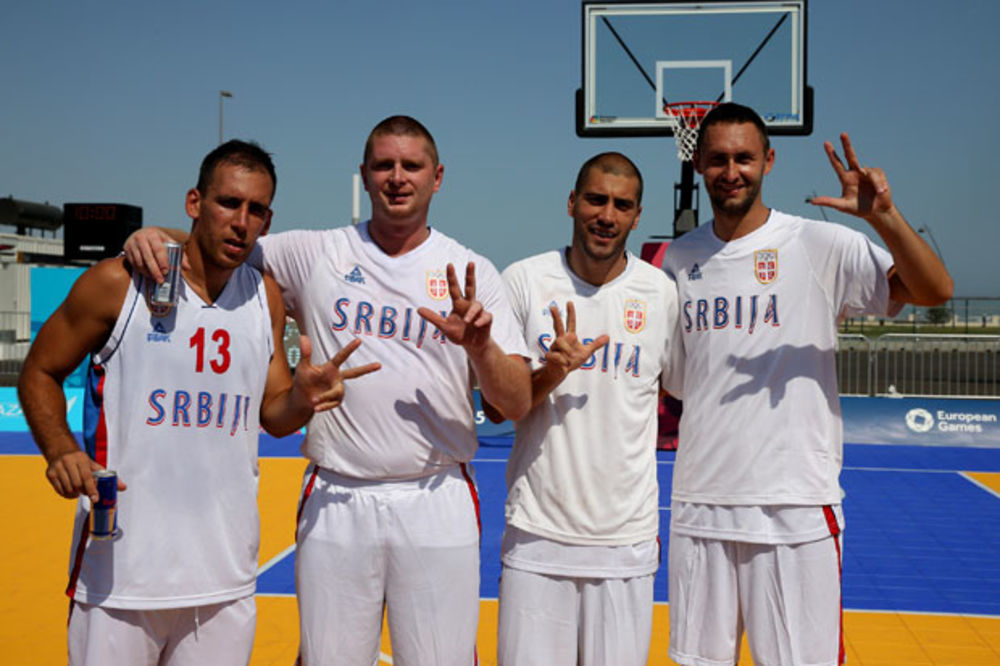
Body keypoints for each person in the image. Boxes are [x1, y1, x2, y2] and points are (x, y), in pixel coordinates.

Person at [124, 116, 531, 665]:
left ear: (438, 177)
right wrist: (155, 236)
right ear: (364, 176)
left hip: (435, 496)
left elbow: (516, 403)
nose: (397, 177)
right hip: (337, 495)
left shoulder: (473, 271)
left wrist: (481, 347)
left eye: (411, 166)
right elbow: (221, 241)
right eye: (383, 165)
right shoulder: (316, 253)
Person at [18, 140, 376, 665]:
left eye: (256, 210)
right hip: (122, 572)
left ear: (268, 221)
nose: (241, 222)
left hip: (224, 578)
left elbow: (274, 417)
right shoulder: (122, 283)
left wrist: (301, 396)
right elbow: (40, 371)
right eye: (228, 203)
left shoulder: (265, 298)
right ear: (194, 203)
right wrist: (59, 450)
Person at [662, 102, 953, 666]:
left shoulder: (818, 244)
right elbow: (677, 379)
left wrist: (885, 218)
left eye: (745, 158)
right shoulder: (679, 257)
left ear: (769, 160)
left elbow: (935, 290)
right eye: (718, 159)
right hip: (700, 504)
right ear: (698, 163)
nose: (732, 171)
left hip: (793, 507)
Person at [487, 152, 682, 665]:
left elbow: (677, 390)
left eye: (622, 205)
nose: (607, 215)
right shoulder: (524, 281)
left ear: (637, 217)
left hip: (626, 542)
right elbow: (497, 408)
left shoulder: (661, 293)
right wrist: (552, 371)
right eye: (596, 199)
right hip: (537, 537)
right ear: (572, 203)